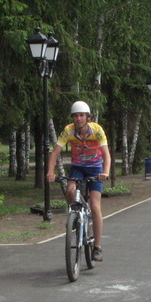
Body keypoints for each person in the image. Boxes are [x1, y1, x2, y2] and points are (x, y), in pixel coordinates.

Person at [46, 101, 112, 261]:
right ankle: (75, 216)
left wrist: (105, 172)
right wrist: (50, 172)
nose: (78, 118)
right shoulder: (68, 131)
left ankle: (97, 247)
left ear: (88, 117)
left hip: (95, 169)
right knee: (70, 191)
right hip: (78, 168)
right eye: (75, 116)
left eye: (82, 115)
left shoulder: (96, 130)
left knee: (95, 206)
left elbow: (106, 154)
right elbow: (55, 153)